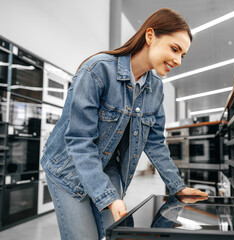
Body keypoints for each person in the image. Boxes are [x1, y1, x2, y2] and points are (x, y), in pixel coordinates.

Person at [41, 8, 208, 240]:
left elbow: (155, 143)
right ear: (150, 36)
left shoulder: (155, 88)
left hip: (108, 167)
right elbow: (79, 141)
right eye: (174, 49)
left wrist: (178, 186)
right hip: (68, 168)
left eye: (183, 55)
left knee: (115, 234)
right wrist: (108, 197)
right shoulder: (97, 70)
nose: (178, 61)